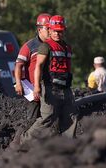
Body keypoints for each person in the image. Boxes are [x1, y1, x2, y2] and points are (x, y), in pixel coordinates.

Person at [20, 15, 77, 143]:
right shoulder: (46, 46)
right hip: (50, 88)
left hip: (65, 89)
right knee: (47, 118)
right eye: (55, 31)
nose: (57, 33)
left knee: (71, 116)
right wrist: (37, 87)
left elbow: (68, 68)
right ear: (50, 30)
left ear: (64, 31)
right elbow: (38, 66)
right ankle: (24, 143)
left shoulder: (67, 47)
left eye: (60, 31)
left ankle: (67, 147)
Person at [14, 13, 51, 120]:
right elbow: (18, 65)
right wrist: (18, 83)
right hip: (34, 91)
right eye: (47, 28)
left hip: (49, 89)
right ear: (39, 29)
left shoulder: (53, 45)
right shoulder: (29, 46)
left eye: (51, 28)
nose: (50, 31)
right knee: (33, 118)